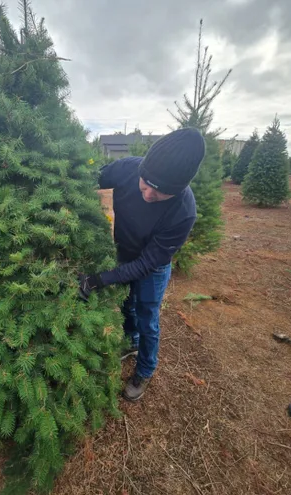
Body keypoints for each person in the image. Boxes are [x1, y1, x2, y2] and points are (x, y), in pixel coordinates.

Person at [77, 127, 206, 402]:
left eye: (159, 194)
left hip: (152, 266)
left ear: (178, 190)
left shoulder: (184, 212)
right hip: (123, 250)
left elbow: (146, 264)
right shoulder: (126, 169)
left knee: (147, 316)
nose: (148, 194)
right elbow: (88, 179)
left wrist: (99, 279)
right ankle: (131, 342)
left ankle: (145, 369)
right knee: (126, 304)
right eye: (145, 184)